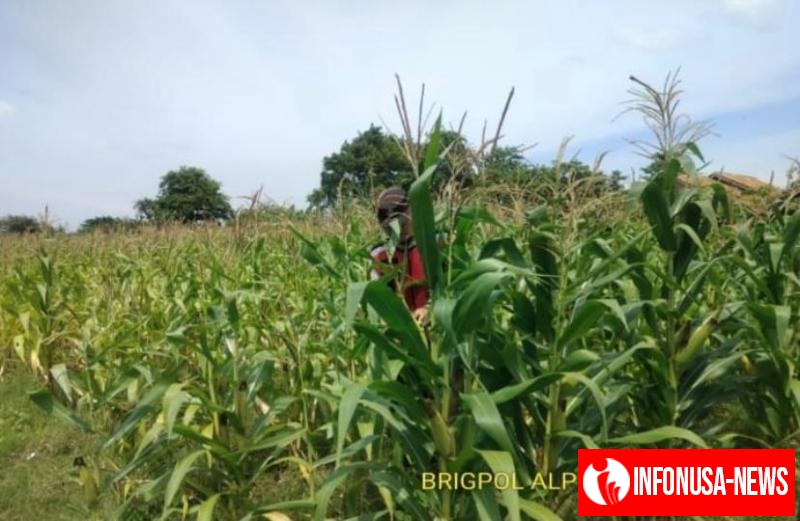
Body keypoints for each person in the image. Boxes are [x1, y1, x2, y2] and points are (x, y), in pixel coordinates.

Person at [370, 186, 430, 323]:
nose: (398, 230)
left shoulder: (430, 245)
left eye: (402, 224)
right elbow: (380, 297)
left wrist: (428, 308)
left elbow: (446, 285)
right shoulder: (379, 255)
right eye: (390, 227)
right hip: (402, 329)